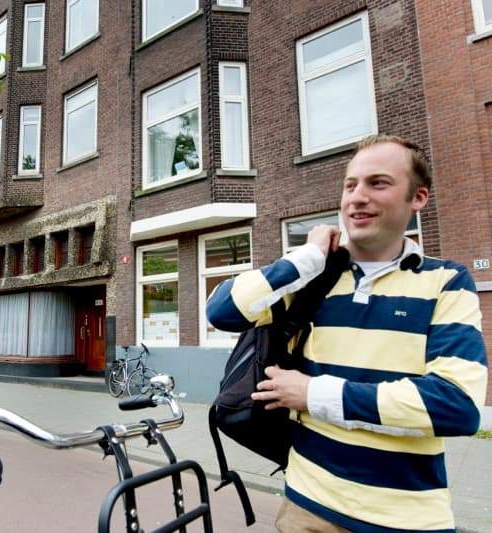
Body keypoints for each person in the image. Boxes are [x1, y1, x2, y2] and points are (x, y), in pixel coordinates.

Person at [207, 134, 488, 532]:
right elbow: (220, 311)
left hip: (404, 520)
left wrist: (313, 394)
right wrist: (306, 258)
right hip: (305, 507)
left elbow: (457, 406)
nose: (357, 197)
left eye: (378, 183)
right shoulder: (314, 279)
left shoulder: (446, 282)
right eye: (350, 185)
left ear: (418, 197)